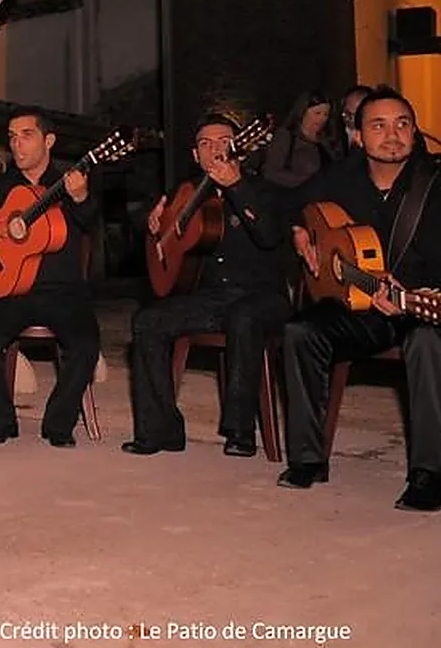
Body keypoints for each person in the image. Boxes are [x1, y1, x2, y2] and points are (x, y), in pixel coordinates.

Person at [279, 86, 441, 511]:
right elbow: (288, 206)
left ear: (414, 131)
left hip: (422, 306)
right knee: (301, 331)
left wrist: (426, 294)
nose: (392, 135)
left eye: (402, 124)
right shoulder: (340, 177)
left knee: (426, 342)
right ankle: (308, 458)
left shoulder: (435, 183)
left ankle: (429, 473)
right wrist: (300, 232)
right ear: (357, 135)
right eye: (379, 125)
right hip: (360, 306)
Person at [123, 115, 290, 457]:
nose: (214, 149)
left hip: (262, 296)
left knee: (244, 317)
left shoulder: (267, 191)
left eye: (223, 141)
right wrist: (153, 225)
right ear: (195, 155)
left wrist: (236, 188)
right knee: (147, 321)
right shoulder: (186, 193)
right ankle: (162, 430)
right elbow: (157, 233)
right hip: (209, 298)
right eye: (205, 144)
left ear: (239, 149)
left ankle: (241, 430)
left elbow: (270, 235)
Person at [0, 108, 102, 447]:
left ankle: (59, 424)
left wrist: (81, 198)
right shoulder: (1, 185)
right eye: (12, 137)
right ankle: (0, 424)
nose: (16, 145)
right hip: (13, 290)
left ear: (49, 140)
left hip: (63, 292)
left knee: (86, 344)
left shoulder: (69, 183)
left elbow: (90, 222)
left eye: (26, 135)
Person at [261, 91, 338, 189]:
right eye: (317, 113)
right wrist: (308, 181)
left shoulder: (328, 140)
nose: (322, 119)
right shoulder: (286, 137)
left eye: (326, 114)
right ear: (303, 112)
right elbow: (270, 172)